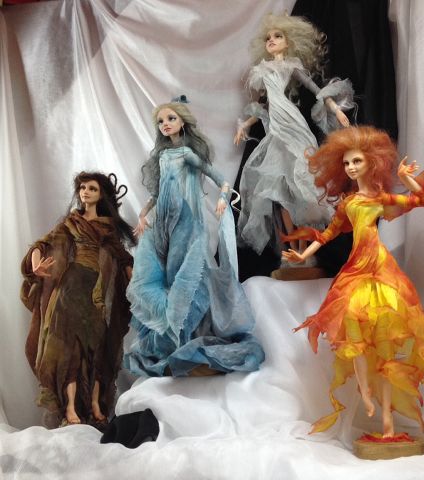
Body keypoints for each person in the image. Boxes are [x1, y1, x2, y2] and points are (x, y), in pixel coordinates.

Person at [282, 126, 424, 437]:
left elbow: (423, 198)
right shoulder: (348, 204)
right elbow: (327, 234)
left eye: (357, 161)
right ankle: (365, 390)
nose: (351, 167)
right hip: (356, 271)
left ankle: (388, 423)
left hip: (381, 269)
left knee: (385, 343)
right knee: (356, 332)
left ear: (371, 163)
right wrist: (302, 255)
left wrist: (405, 178)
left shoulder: (379, 198)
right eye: (347, 163)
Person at [125, 98, 264, 377]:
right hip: (165, 224)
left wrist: (223, 199)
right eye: (161, 121)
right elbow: (159, 192)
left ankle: (192, 340)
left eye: (171, 119)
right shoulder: (163, 156)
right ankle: (177, 343)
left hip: (188, 223)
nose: (165, 124)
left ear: (183, 122)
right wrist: (143, 214)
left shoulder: (187, 153)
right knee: (169, 279)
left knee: (189, 278)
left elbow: (221, 180)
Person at [234, 13, 355, 257]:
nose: (272, 40)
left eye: (278, 36)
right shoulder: (263, 70)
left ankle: (303, 248)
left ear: (288, 42)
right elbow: (265, 104)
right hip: (276, 126)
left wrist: (335, 109)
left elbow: (316, 89)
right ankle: (293, 248)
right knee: (280, 189)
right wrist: (245, 124)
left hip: (292, 123)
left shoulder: (292, 66)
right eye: (268, 38)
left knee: (302, 181)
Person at [21, 172, 134, 426]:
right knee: (69, 348)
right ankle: (70, 408)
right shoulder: (72, 223)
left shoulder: (108, 227)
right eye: (83, 187)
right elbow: (42, 244)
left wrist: (135, 283)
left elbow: (123, 258)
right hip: (70, 287)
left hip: (95, 291)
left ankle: (94, 404)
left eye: (92, 188)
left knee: (97, 346)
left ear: (101, 195)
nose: (85, 192)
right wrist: (37, 264)